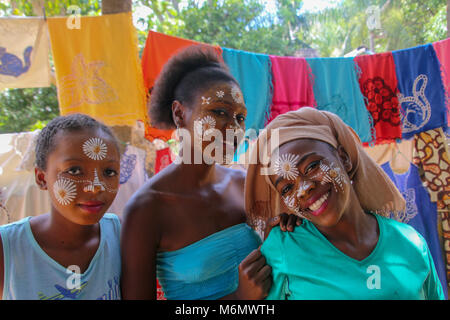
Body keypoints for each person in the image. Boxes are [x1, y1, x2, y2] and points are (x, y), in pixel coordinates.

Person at [121, 45, 299, 300]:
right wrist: (237, 299)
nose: (233, 128)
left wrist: (286, 225)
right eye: (219, 112)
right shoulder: (146, 209)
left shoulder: (246, 183)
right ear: (180, 114)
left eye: (240, 118)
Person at [245, 107, 445, 300]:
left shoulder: (410, 242)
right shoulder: (283, 248)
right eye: (287, 188)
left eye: (312, 166)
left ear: (344, 158)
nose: (303, 189)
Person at [0, 114, 122, 300]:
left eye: (109, 172)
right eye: (74, 171)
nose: (96, 186)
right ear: (42, 178)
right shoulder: (8, 248)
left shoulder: (122, 236)